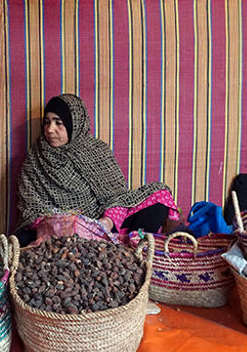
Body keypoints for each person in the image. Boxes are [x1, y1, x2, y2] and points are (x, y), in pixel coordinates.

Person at [14, 93, 179, 246]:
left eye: (59, 123)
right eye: (47, 122)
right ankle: (100, 247)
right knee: (23, 239)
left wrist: (107, 221)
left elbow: (118, 197)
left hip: (107, 225)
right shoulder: (35, 161)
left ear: (75, 125)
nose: (50, 129)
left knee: (159, 194)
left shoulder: (97, 152)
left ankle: (134, 246)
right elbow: (31, 209)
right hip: (62, 231)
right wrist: (64, 222)